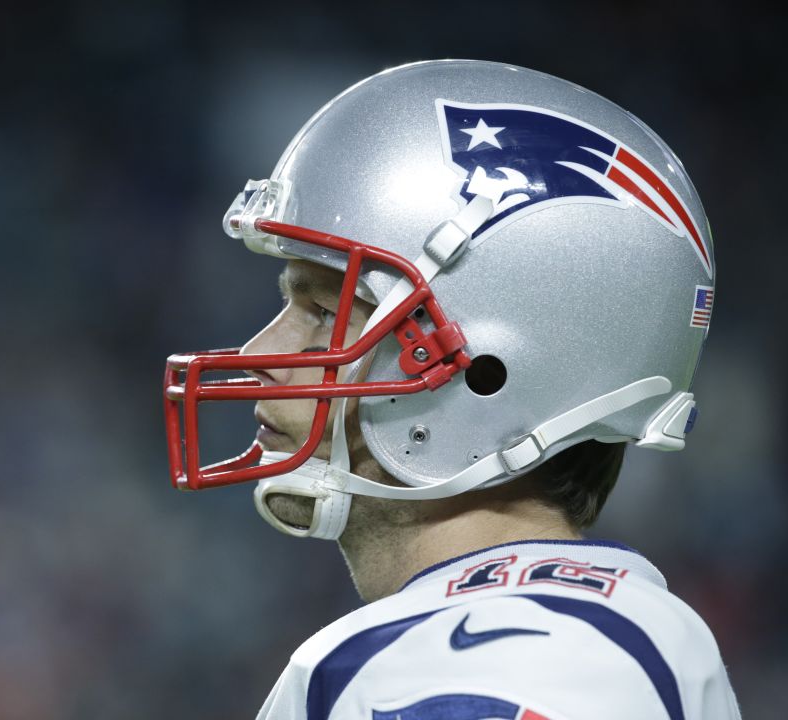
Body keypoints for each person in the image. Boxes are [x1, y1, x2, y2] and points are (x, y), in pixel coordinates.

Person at [162, 60, 740, 719]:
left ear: (488, 371)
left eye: (323, 312)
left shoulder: (479, 661)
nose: (260, 356)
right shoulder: (619, 633)